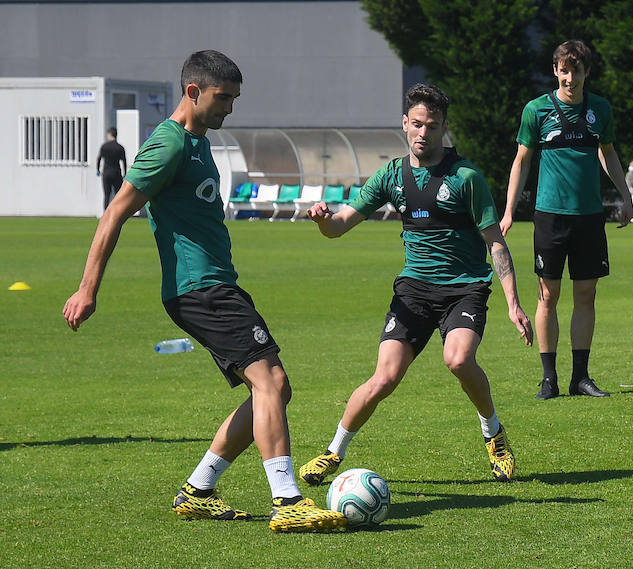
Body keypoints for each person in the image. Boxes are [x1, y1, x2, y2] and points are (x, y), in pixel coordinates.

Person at [62, 50, 346, 532]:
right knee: (271, 383)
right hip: (201, 288)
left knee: (274, 389)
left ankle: (198, 490)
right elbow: (115, 212)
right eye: (223, 97)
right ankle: (287, 500)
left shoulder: (197, 141)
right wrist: (87, 290)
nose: (230, 108)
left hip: (214, 285)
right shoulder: (168, 145)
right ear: (193, 91)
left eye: (234, 98)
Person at [298, 84, 533, 486]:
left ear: (444, 128)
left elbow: (495, 241)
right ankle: (333, 452)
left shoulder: (466, 178)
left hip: (464, 288)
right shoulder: (391, 175)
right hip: (415, 290)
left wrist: (513, 302)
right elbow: (339, 226)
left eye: (433, 126)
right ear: (405, 123)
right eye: (417, 124)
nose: (424, 133)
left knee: (458, 360)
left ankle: (493, 435)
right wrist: (323, 218)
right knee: (384, 378)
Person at [501, 40, 633, 400]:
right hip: (550, 216)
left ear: (586, 72)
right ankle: (549, 378)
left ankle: (581, 377)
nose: (569, 77)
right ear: (555, 71)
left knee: (586, 294)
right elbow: (522, 160)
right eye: (564, 70)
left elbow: (608, 153)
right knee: (548, 295)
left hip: (589, 217)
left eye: (576, 70)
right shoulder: (537, 110)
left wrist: (625, 195)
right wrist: (510, 210)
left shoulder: (600, 110)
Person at [96, 127, 127, 210]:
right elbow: (124, 161)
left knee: (107, 195)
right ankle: (118, 212)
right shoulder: (120, 147)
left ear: (110, 134)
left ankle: (105, 213)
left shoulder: (104, 146)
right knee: (118, 195)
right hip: (116, 173)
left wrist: (98, 169)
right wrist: (125, 173)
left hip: (106, 173)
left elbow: (99, 158)